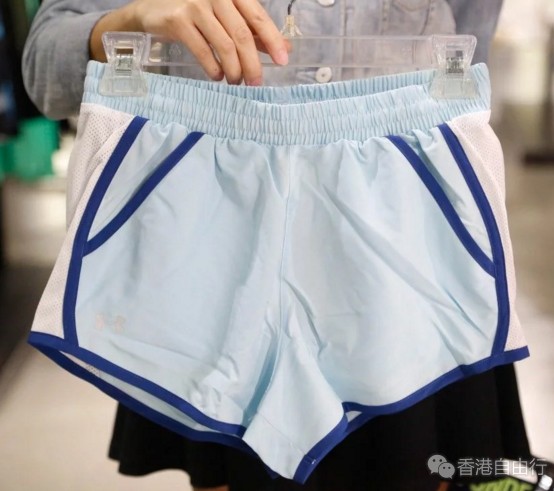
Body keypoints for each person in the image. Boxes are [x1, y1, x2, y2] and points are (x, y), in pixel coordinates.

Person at [22, 2, 531, 491]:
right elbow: (45, 64)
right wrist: (135, 16)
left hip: (404, 200)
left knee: (411, 462)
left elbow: (468, 41)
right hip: (198, 205)